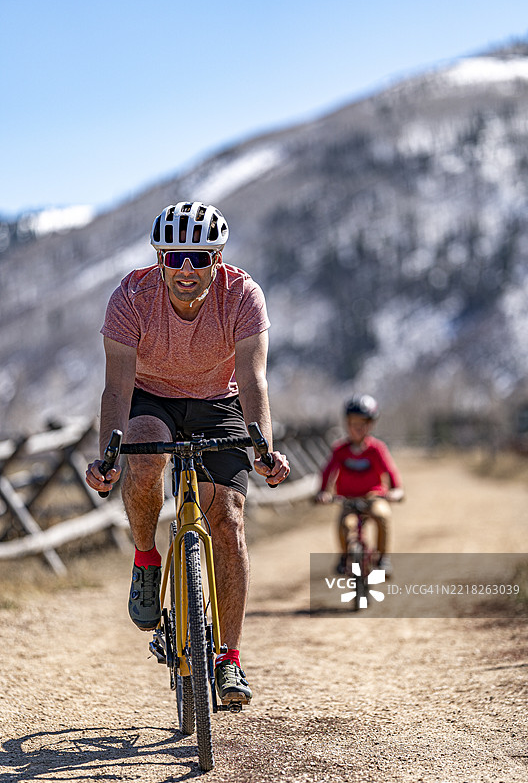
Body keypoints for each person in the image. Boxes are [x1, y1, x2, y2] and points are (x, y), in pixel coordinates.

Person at [86, 201, 290, 707]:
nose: (184, 269)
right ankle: (145, 557)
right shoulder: (131, 296)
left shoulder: (242, 295)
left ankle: (229, 661)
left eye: (197, 257)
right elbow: (116, 388)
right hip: (150, 397)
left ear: (216, 258)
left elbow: (252, 378)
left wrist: (262, 444)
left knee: (229, 519)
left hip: (218, 401)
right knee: (144, 451)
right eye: (173, 257)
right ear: (158, 258)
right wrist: (108, 456)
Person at [316, 395, 403, 575]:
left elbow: (390, 471)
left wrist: (396, 490)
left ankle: (382, 558)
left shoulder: (376, 449)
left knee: (383, 515)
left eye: (363, 423)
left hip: (373, 496)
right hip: (347, 499)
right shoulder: (340, 450)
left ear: (371, 425)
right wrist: (323, 492)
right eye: (353, 422)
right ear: (347, 424)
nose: (358, 427)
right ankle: (344, 556)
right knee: (344, 524)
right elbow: (327, 472)